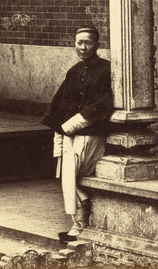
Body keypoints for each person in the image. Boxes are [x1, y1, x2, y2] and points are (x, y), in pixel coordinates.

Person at [42, 24, 113, 242]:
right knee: (68, 176)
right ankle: (78, 223)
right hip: (68, 133)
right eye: (79, 42)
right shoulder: (74, 71)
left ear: (97, 45)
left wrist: (74, 123)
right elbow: (60, 103)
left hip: (90, 132)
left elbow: (104, 103)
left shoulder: (106, 70)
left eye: (88, 42)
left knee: (73, 175)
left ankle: (81, 222)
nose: (83, 47)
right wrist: (60, 129)